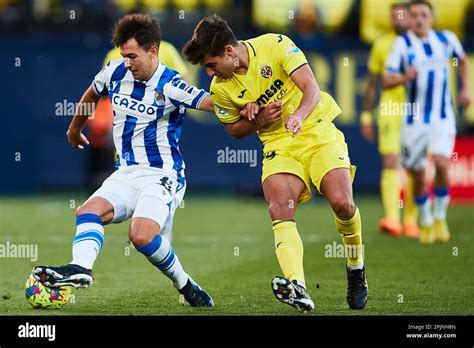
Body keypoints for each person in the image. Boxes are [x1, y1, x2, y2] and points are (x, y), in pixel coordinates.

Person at [182, 14, 368, 312]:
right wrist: (255, 120)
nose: (209, 73)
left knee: (343, 204)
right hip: (279, 145)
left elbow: (312, 89)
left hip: (317, 130)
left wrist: (297, 116)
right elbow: (234, 131)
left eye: (211, 64)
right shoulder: (221, 88)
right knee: (280, 208)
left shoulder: (275, 44)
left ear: (229, 52)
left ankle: (356, 267)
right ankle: (298, 286)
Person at [33, 13, 215, 307]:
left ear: (152, 51)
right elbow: (91, 93)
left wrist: (248, 108)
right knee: (87, 212)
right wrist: (75, 128)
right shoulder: (115, 72)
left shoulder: (170, 84)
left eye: (132, 56)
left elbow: (210, 103)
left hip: (163, 175)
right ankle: (81, 267)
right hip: (126, 172)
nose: (127, 62)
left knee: (141, 236)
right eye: (124, 55)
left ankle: (185, 284)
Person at [384, 0, 471, 243]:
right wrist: (404, 77)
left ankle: (440, 218)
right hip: (413, 121)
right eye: (414, 16)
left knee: (442, 164)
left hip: (443, 118)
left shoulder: (446, 40)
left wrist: (466, 89)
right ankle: (425, 220)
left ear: (431, 18)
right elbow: (386, 80)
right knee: (418, 174)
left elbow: (462, 60)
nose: (419, 20)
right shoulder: (402, 44)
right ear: (409, 19)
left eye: (423, 15)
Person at [360, 3, 419, 238]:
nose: (397, 20)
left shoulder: (422, 44)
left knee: (416, 165)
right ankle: (393, 218)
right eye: (393, 17)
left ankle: (412, 220)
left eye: (401, 16)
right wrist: (366, 115)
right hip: (389, 110)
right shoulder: (382, 44)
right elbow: (372, 83)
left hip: (417, 111)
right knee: (391, 161)